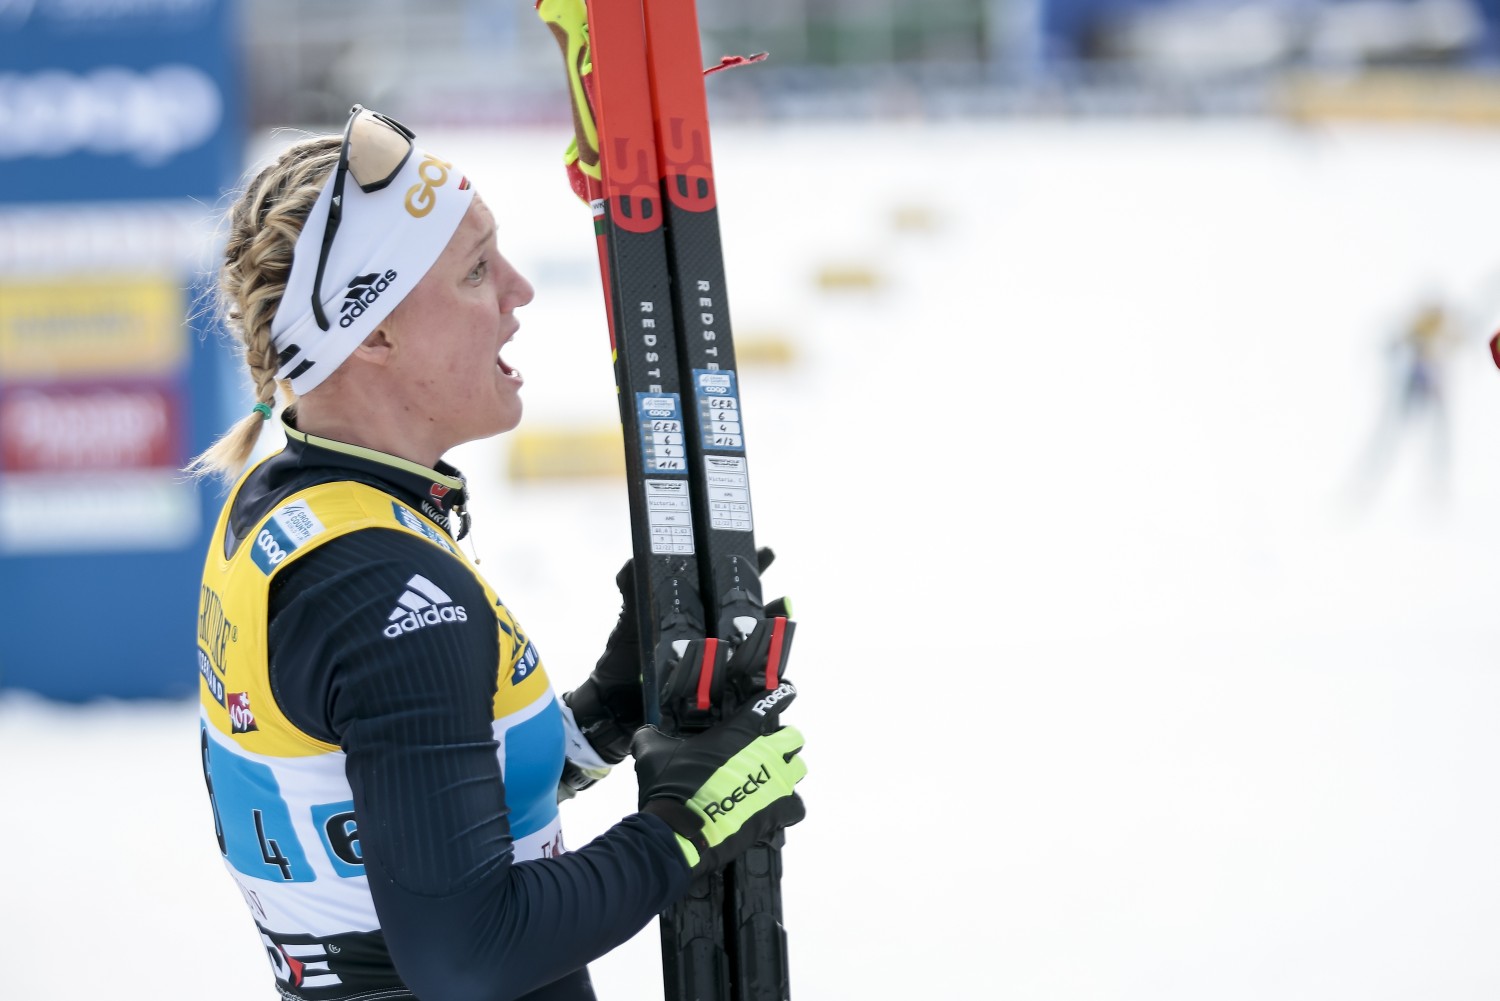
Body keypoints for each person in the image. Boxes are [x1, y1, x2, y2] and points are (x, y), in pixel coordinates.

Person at [188, 105, 807, 1001]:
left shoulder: (299, 508)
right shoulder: (386, 588)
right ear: (374, 333)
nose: (519, 291)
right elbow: (468, 952)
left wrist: (609, 706)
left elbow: (398, 815)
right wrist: (686, 825)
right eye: (477, 271)